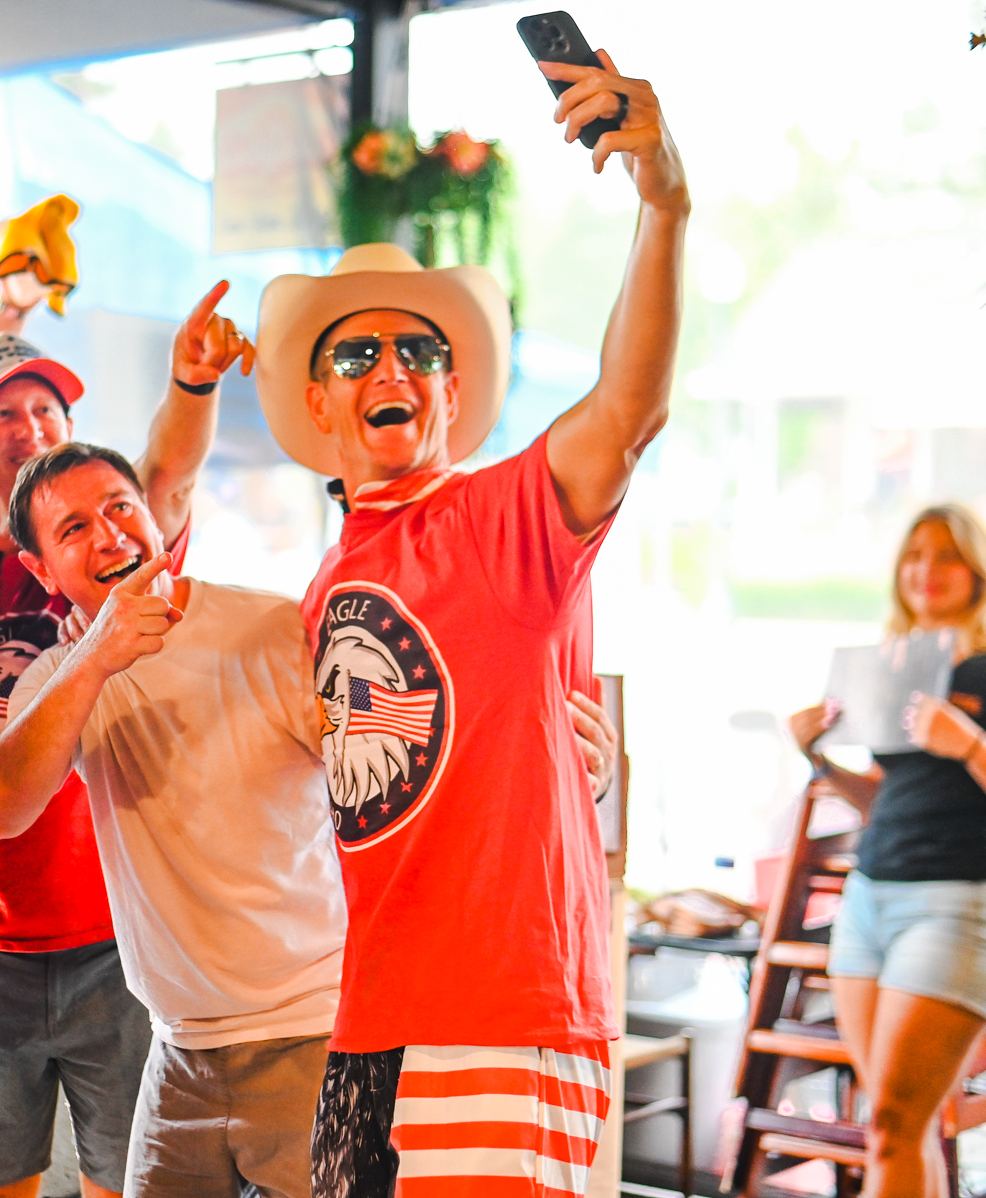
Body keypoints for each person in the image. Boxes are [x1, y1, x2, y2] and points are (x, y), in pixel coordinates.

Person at [250, 51, 688, 1198]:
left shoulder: (503, 515)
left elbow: (628, 410)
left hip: (499, 1012)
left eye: (419, 351)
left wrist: (664, 205)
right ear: (317, 400)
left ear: (452, 392)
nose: (390, 366)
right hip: (371, 1015)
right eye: (357, 352)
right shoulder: (329, 579)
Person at [0, 284, 251, 1198]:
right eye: (1, 412)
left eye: (46, 408)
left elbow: (167, 480)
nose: (29, 425)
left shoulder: (98, 541)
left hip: (114, 934)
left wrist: (190, 387)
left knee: (124, 1178)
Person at [0, 442, 346, 1198]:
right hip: (176, 1051)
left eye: (120, 507)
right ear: (44, 570)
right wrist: (99, 655)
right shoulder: (58, 680)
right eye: (74, 528)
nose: (110, 535)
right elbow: (4, 809)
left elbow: (382, 768)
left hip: (307, 1029)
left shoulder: (266, 625)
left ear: (154, 518)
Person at [790, 504, 986, 1198]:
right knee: (894, 1129)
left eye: (946, 556)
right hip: (867, 903)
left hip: (954, 908)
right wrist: (817, 757)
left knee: (892, 1121)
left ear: (977, 571)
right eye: (915, 556)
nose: (927, 571)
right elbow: (884, 797)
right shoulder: (900, 665)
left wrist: (971, 743)